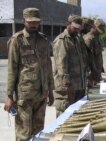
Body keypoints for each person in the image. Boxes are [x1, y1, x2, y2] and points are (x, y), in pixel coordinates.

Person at [4, 8, 54, 141]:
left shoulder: (43, 40)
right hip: (24, 97)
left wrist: (50, 91)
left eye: (36, 22)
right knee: (24, 134)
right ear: (24, 21)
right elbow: (11, 70)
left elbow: (48, 66)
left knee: (38, 132)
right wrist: (9, 96)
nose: (33, 25)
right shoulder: (17, 40)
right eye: (30, 22)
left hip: (41, 95)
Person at [53, 15, 88, 117]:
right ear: (68, 24)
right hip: (67, 88)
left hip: (78, 86)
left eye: (79, 29)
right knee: (64, 117)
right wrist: (67, 85)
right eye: (75, 28)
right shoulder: (62, 40)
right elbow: (61, 65)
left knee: (76, 116)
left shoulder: (76, 40)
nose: (77, 30)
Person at [83, 19, 106, 86]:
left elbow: (98, 56)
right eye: (98, 29)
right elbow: (86, 58)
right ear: (93, 27)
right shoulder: (89, 39)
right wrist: (89, 74)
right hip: (91, 75)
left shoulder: (96, 38)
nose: (100, 32)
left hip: (96, 72)